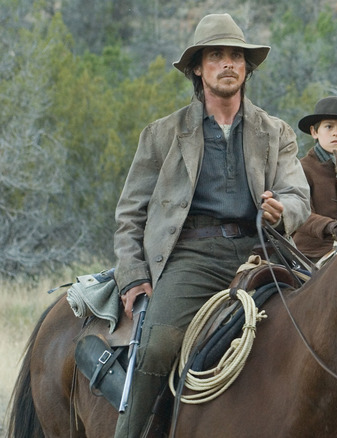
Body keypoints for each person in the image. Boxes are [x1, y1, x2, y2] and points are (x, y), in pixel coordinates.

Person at [113, 13, 310, 437]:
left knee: (328, 321)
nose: (228, 64)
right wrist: (132, 276)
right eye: (216, 55)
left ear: (247, 67)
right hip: (191, 256)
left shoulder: (275, 132)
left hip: (260, 252)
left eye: (236, 56)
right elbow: (130, 214)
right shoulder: (163, 134)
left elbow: (298, 196)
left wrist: (283, 211)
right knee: (157, 346)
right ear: (197, 68)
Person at [292, 96, 337, 262]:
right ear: (314, 132)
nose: (336, 133)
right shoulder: (301, 169)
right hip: (311, 253)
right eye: (329, 126)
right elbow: (300, 214)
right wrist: (333, 227)